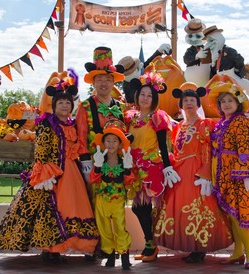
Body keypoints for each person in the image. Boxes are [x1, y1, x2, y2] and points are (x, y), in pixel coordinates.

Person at [0, 70, 99, 263]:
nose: (64, 105)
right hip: (51, 173)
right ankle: (52, 249)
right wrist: (47, 174)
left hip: (71, 171)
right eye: (60, 103)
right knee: (50, 210)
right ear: (54, 105)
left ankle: (86, 246)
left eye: (68, 103)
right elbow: (41, 150)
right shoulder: (46, 124)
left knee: (77, 207)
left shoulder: (73, 124)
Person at [153, 82, 233, 263]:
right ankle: (189, 245)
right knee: (181, 206)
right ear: (180, 105)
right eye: (185, 100)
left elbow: (210, 149)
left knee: (199, 205)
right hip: (180, 171)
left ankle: (199, 247)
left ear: (198, 104)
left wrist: (206, 173)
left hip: (196, 172)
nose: (188, 103)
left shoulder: (206, 124)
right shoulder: (178, 126)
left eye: (192, 100)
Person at [209, 82, 249, 269]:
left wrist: (247, 175)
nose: (226, 104)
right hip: (223, 173)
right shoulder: (221, 123)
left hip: (239, 174)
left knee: (242, 214)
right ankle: (238, 252)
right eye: (223, 101)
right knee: (232, 215)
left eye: (230, 100)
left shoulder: (241, 121)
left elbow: (246, 149)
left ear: (237, 103)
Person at [76, 46, 126, 261]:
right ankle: (96, 247)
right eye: (99, 79)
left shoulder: (121, 107)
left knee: (117, 208)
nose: (103, 83)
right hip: (94, 166)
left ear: (113, 81)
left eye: (107, 79)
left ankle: (118, 247)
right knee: (94, 205)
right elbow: (80, 135)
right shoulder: (85, 106)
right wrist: (86, 162)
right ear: (93, 83)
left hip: (117, 166)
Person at [124, 71, 180, 262]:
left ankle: (151, 246)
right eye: (142, 95)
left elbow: (163, 144)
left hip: (151, 168)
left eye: (149, 95)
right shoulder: (130, 117)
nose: (145, 98)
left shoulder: (158, 117)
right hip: (134, 167)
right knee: (139, 208)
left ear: (154, 98)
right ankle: (151, 245)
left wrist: (167, 167)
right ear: (137, 97)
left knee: (142, 208)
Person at [90, 119, 134, 270]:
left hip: (118, 199)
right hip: (102, 199)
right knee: (104, 228)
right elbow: (93, 179)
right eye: (108, 140)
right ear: (103, 143)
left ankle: (124, 255)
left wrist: (128, 168)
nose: (111, 144)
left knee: (120, 227)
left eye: (115, 140)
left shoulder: (124, 160)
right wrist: (97, 166)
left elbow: (128, 182)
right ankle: (109, 254)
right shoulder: (99, 159)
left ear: (120, 144)